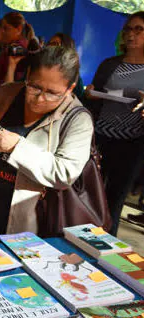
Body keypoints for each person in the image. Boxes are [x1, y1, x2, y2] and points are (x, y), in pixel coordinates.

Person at [0, 46, 93, 239]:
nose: (39, 99)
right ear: (28, 74)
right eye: (35, 87)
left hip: (27, 219)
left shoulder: (77, 119)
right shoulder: (7, 94)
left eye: (52, 93)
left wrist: (16, 146)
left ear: (70, 88)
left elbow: (65, 172)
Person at [84, 12, 144, 234]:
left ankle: (106, 247)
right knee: (91, 193)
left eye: (139, 29)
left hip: (133, 142)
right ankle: (82, 237)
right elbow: (95, 93)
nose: (131, 34)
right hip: (101, 137)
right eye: (128, 29)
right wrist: (90, 93)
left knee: (115, 199)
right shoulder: (110, 64)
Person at [0, 12, 34, 96]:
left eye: (6, 29)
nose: (2, 32)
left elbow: (11, 84)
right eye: (2, 28)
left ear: (19, 29)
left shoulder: (16, 51)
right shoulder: (10, 47)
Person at [47, 33, 85, 99]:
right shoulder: (43, 67)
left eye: (55, 44)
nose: (50, 47)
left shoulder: (75, 77)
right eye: (49, 44)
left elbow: (80, 97)